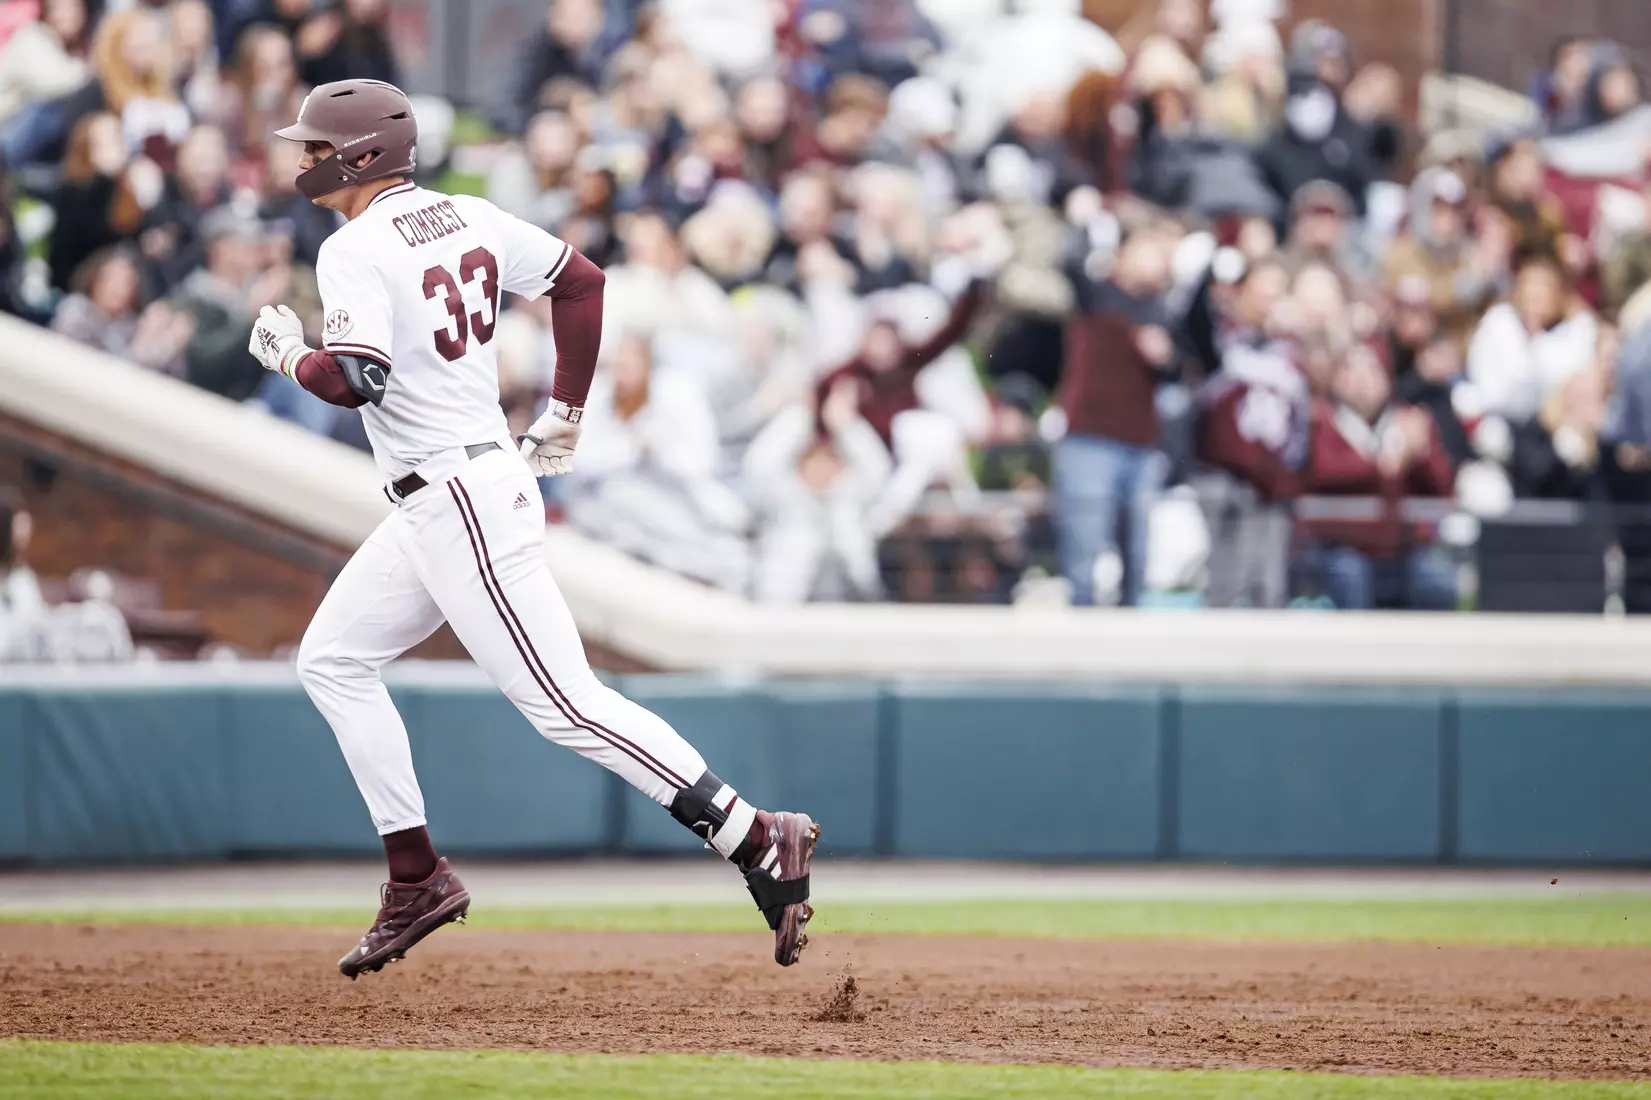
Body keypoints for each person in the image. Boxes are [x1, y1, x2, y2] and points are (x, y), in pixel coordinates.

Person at [247, 79, 818, 979]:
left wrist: (285, 353)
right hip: (448, 489)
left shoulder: (353, 247)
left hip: (457, 495)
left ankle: (754, 835)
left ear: (359, 156)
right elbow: (580, 280)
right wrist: (567, 409)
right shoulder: (466, 215)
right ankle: (414, 877)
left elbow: (357, 378)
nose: (301, 161)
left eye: (315, 148)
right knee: (331, 661)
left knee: (565, 706)